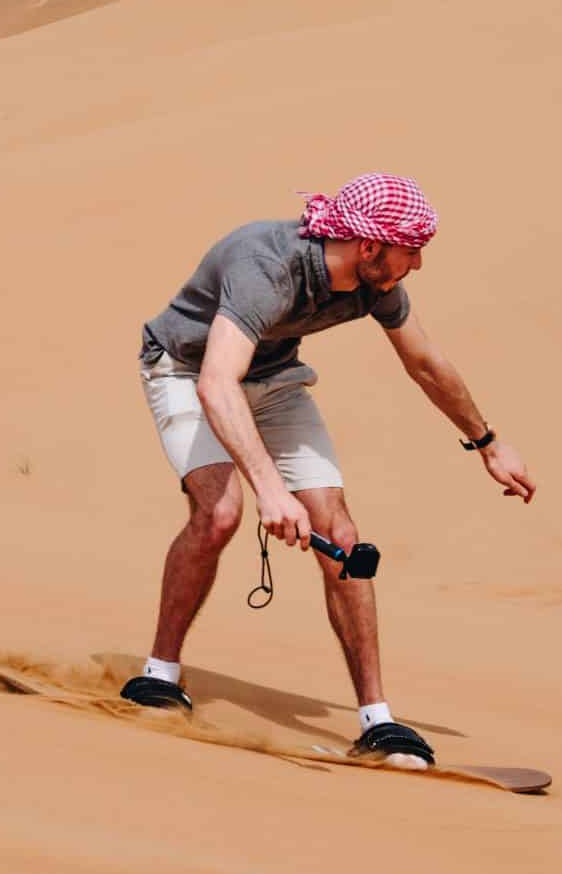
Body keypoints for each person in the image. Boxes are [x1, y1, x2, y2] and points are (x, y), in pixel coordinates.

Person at [124, 172, 535, 768]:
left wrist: (488, 443)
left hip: (274, 379)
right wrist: (270, 491)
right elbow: (216, 382)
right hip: (187, 372)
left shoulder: (377, 284)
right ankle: (159, 677)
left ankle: (378, 721)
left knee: (340, 535)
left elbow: (424, 362)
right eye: (411, 249)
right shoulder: (266, 264)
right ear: (368, 246)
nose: (417, 264)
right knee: (221, 513)